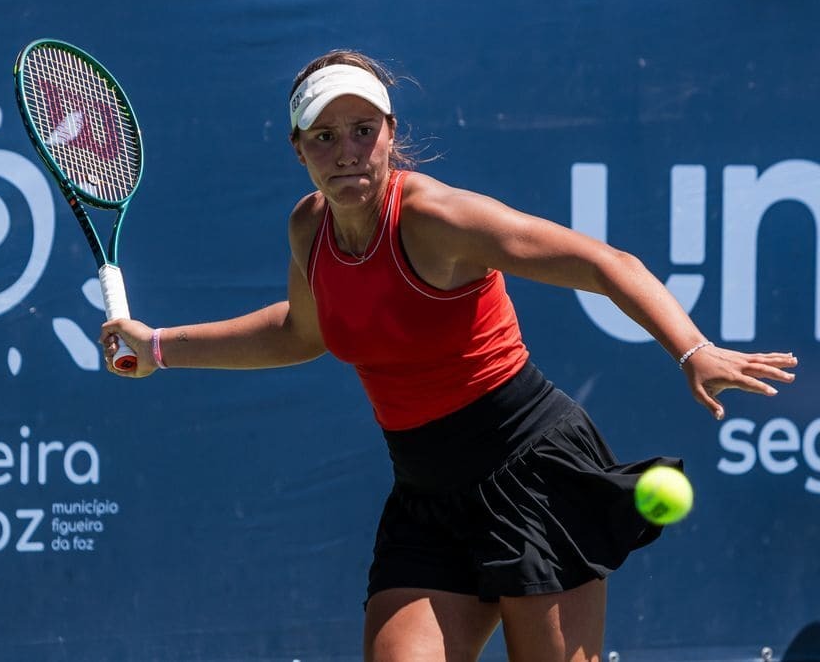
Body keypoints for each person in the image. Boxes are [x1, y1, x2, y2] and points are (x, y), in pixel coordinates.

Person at [99, 50, 797, 662]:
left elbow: (604, 263)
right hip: (425, 494)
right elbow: (299, 334)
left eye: (363, 131)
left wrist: (693, 349)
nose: (346, 151)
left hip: (532, 473)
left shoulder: (439, 220)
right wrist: (159, 346)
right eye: (325, 136)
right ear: (299, 149)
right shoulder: (307, 227)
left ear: (390, 134)